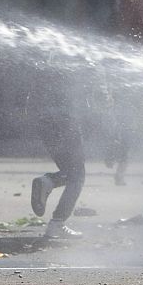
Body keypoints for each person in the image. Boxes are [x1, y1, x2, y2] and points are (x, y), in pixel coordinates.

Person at [27, 60, 87, 239]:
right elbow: (85, 103)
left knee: (70, 172)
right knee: (78, 176)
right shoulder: (73, 71)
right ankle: (57, 222)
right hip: (66, 124)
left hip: (46, 125)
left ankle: (50, 181)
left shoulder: (45, 72)